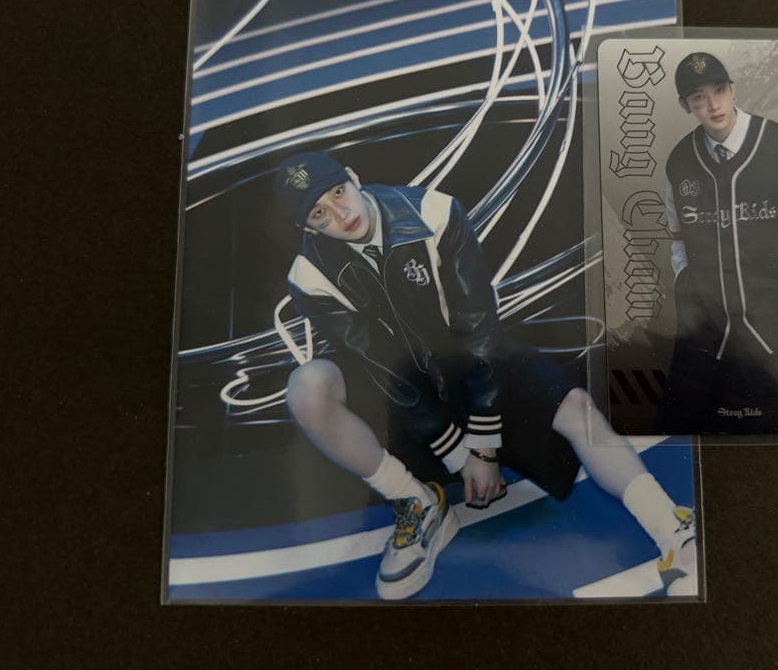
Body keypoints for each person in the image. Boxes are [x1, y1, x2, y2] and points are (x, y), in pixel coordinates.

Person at [274, 151, 694, 599]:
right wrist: (459, 456)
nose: (341, 214)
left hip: (471, 367)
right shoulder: (309, 275)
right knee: (308, 387)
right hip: (402, 398)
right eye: (320, 213)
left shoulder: (434, 212)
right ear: (307, 228)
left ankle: (673, 533)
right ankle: (417, 503)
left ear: (354, 177)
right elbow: (380, 363)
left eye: (339, 192)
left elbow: (479, 330)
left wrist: (485, 444)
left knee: (577, 408)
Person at [660, 51, 778, 435]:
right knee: (687, 431)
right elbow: (678, 237)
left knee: (762, 433)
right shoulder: (680, 161)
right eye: (699, 97)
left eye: (719, 90)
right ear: (685, 105)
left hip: (769, 323)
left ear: (733, 90)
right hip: (703, 326)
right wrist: (685, 281)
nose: (713, 105)